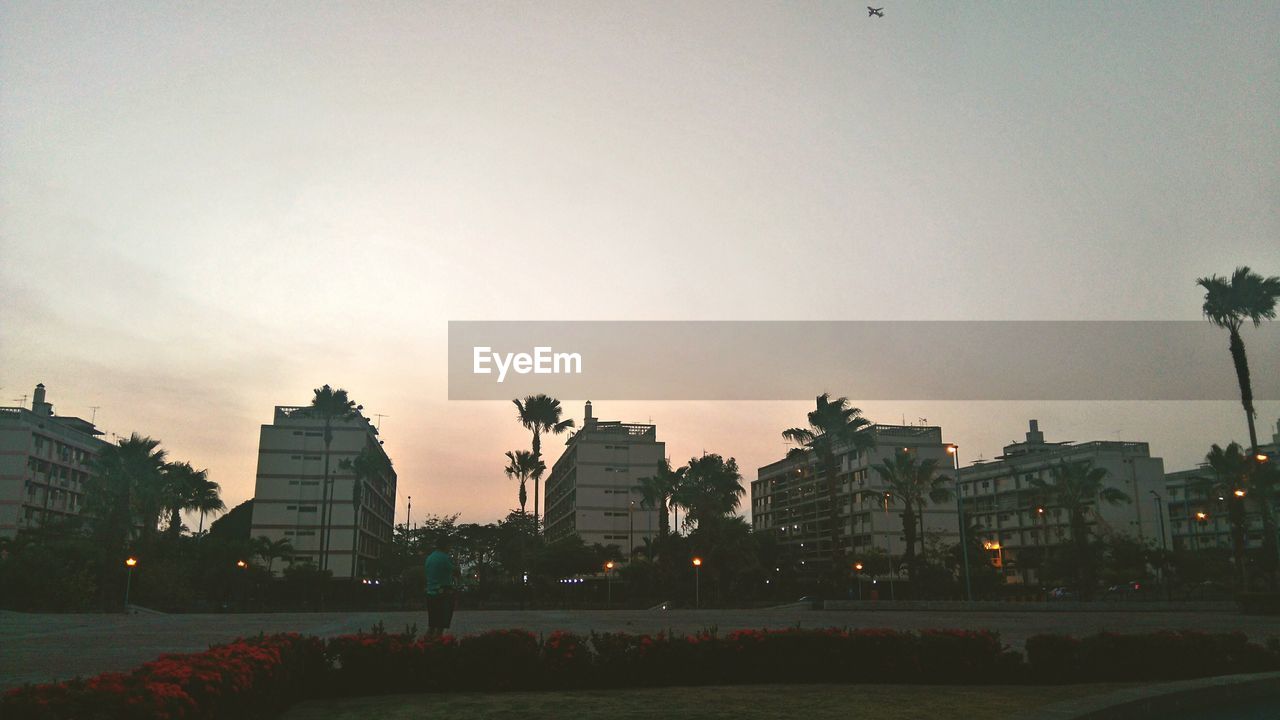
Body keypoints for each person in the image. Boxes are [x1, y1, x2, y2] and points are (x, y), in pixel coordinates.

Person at [424, 536, 458, 637]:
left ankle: (425, 644)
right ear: (446, 545)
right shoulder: (444, 558)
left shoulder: (430, 557)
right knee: (440, 626)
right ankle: (438, 646)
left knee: (432, 624)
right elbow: (455, 571)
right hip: (443, 593)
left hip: (431, 592)